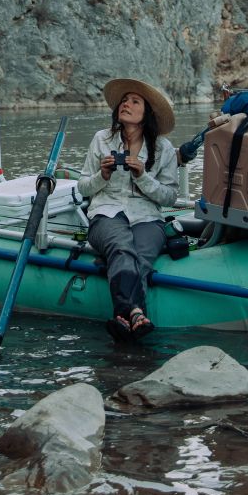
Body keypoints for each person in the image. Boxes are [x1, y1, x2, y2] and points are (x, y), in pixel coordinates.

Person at [76, 77, 180, 340]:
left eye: (135, 101)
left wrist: (143, 176)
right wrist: (103, 175)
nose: (126, 104)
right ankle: (135, 314)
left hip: (147, 217)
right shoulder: (102, 139)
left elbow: (169, 198)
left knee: (142, 256)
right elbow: (83, 188)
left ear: (147, 114)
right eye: (124, 100)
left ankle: (124, 318)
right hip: (105, 213)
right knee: (122, 247)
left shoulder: (164, 149)